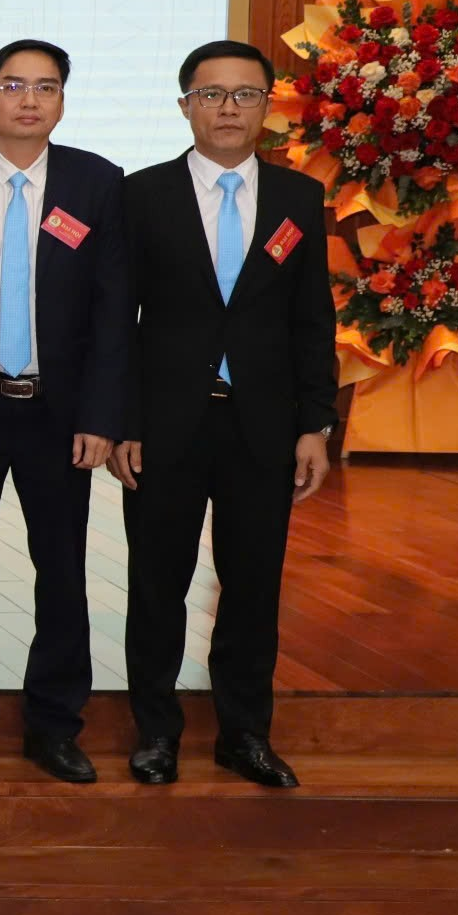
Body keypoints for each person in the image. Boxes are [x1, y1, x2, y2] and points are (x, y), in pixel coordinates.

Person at [111, 40, 336, 790]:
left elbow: (313, 319)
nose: (229, 108)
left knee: (253, 586)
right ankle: (156, 733)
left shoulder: (299, 198)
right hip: (165, 426)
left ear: (268, 105)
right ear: (186, 106)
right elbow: (117, 321)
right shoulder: (142, 195)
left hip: (263, 427)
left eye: (245, 94)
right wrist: (124, 422)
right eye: (211, 94)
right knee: (156, 586)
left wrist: (315, 424)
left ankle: (245, 734)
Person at [0, 41, 129, 785]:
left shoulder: (97, 183)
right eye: (13, 85)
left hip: (59, 413)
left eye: (46, 87)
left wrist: (101, 414)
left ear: (62, 101)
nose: (29, 99)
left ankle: (54, 723)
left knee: (62, 571)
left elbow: (114, 309)